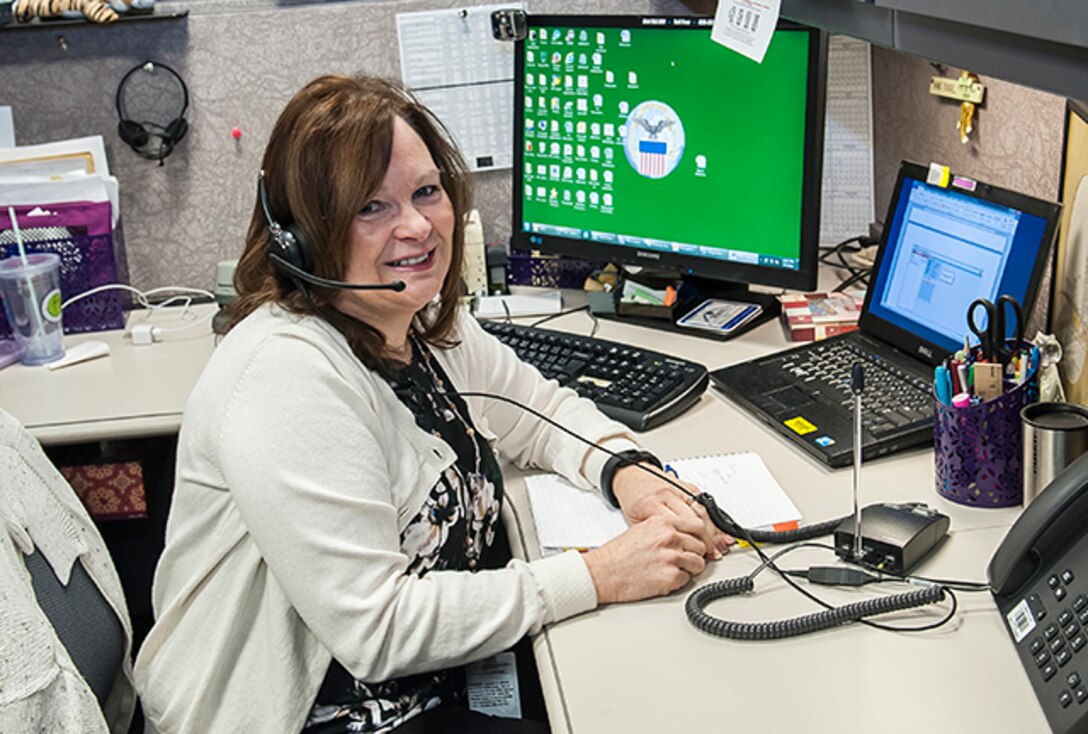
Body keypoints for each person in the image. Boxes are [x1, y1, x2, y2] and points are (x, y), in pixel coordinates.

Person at [133, 73, 733, 733]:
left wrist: (628, 473)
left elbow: (542, 413)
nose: (417, 226)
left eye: (426, 192)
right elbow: (379, 629)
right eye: (372, 207)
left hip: (436, 676)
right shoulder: (286, 374)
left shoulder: (415, 321)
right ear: (301, 235)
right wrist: (596, 574)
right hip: (310, 711)